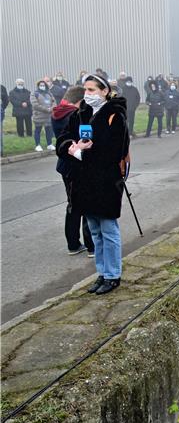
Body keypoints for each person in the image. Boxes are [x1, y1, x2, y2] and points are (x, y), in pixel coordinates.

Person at [56, 73, 130, 295]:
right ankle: (101, 272)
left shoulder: (114, 115)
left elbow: (116, 149)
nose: (87, 95)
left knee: (108, 229)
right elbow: (63, 138)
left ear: (104, 91)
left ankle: (113, 274)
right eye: (86, 90)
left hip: (105, 181)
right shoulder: (80, 114)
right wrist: (72, 148)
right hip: (83, 181)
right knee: (94, 231)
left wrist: (86, 152)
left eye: (92, 90)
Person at [53, 85, 95, 256]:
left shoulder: (58, 112)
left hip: (65, 165)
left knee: (73, 205)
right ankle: (91, 244)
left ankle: (73, 243)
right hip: (77, 163)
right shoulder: (73, 115)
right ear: (80, 101)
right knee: (87, 205)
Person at [31, 79, 56, 151]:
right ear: (38, 86)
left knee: (49, 130)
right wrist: (46, 109)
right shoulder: (35, 93)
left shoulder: (49, 93)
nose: (42, 86)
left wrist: (52, 108)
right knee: (38, 130)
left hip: (48, 116)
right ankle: (37, 145)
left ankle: (49, 144)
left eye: (43, 85)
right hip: (39, 115)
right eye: (40, 85)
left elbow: (54, 102)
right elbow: (35, 104)